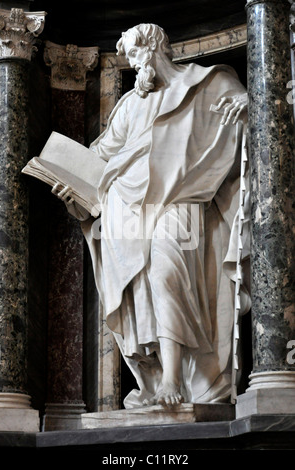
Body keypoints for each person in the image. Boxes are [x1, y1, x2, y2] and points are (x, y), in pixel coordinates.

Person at [55, 23, 250, 408]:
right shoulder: (131, 105)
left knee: (166, 264)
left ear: (155, 48)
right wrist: (71, 190)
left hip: (184, 200)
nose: (132, 63)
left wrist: (252, 108)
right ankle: (156, 378)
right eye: (126, 58)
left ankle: (175, 378)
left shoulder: (208, 84)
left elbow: (257, 124)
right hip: (126, 210)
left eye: (135, 54)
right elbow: (100, 159)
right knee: (141, 285)